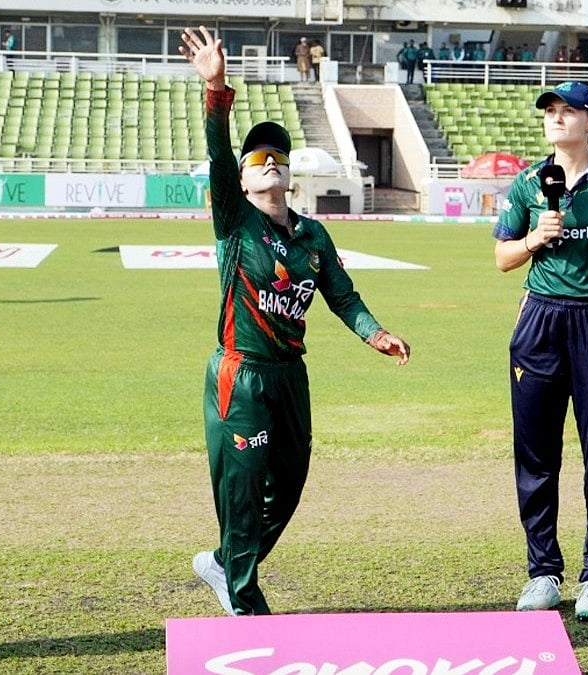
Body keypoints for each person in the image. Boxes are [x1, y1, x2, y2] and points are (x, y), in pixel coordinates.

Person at [178, 26, 411, 617]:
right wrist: (216, 88)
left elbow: (343, 294)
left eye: (278, 155)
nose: (271, 162)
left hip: (290, 376)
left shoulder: (313, 235)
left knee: (290, 480)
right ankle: (242, 593)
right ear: (243, 178)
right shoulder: (234, 223)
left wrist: (374, 332)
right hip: (242, 374)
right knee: (242, 487)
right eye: (258, 158)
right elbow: (216, 152)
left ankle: (225, 560)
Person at [493, 81, 588, 623]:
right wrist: (535, 239)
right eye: (551, 112)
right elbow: (501, 258)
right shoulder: (527, 184)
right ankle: (542, 571)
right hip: (538, 318)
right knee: (535, 452)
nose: (557, 119)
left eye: (569, 111)